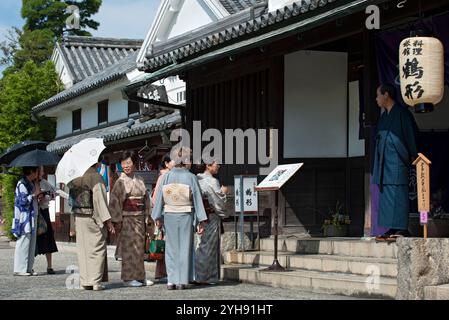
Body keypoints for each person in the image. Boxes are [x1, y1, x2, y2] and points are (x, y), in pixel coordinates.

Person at [151, 147, 208, 290]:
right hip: (186, 215)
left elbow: (159, 198)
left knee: (171, 247)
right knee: (185, 247)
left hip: (169, 214)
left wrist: (157, 215)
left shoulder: (166, 176)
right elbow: (197, 198)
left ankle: (171, 280)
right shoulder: (191, 177)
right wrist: (201, 219)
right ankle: (182, 280)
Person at [373, 84, 418, 241]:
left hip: (398, 162)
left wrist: (414, 154)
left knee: (398, 194)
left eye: (378, 95)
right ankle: (390, 227)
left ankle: (401, 228)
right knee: (387, 196)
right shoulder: (384, 117)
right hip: (385, 162)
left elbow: (410, 135)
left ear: (386, 95)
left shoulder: (402, 114)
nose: (376, 99)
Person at [109, 151, 154, 287]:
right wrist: (117, 221)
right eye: (123, 163)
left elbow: (146, 199)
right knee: (129, 249)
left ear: (134, 163)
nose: (126, 166)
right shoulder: (120, 182)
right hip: (127, 218)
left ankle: (140, 276)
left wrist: (148, 215)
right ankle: (128, 278)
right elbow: (115, 202)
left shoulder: (139, 179)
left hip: (140, 218)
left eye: (128, 163)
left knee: (139, 249)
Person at [68, 164, 115, 291]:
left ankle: (84, 281)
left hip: (79, 216)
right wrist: (108, 220)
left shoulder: (74, 177)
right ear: (97, 163)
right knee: (97, 248)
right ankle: (95, 282)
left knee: (83, 249)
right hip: (92, 217)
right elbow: (99, 200)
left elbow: (71, 200)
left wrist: (72, 224)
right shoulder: (95, 176)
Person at [195, 160, 228, 284]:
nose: (218, 166)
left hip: (200, 216)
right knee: (209, 246)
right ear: (208, 166)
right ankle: (204, 276)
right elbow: (218, 202)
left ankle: (201, 275)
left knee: (201, 245)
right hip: (211, 216)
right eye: (216, 164)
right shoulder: (213, 181)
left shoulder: (197, 179)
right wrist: (223, 193)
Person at [12, 167, 41, 276]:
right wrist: (34, 194)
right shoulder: (22, 183)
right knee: (24, 241)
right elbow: (22, 201)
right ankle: (20, 268)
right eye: (36, 171)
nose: (37, 173)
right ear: (31, 171)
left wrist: (37, 194)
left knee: (31, 243)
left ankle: (28, 267)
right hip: (24, 217)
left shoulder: (31, 183)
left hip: (31, 215)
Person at [151, 153, 175, 280]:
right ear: (166, 163)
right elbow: (156, 198)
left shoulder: (174, 175)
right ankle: (162, 272)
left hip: (172, 212)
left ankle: (163, 272)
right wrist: (158, 216)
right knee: (165, 243)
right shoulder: (163, 177)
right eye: (173, 161)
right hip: (166, 213)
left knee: (167, 243)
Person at [35, 166, 58, 274]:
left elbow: (54, 193)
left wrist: (45, 196)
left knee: (48, 237)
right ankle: (30, 265)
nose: (43, 173)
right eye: (41, 170)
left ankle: (49, 266)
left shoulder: (44, 182)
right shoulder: (30, 183)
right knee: (34, 239)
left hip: (44, 211)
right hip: (34, 213)